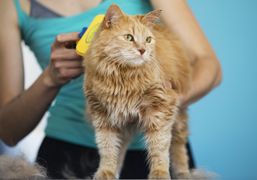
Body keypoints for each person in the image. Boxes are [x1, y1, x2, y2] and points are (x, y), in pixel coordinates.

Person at [0, 0, 222, 178]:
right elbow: (7, 131)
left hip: (156, 147)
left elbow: (208, 63)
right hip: (67, 153)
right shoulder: (10, 5)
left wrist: (168, 101)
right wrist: (50, 78)